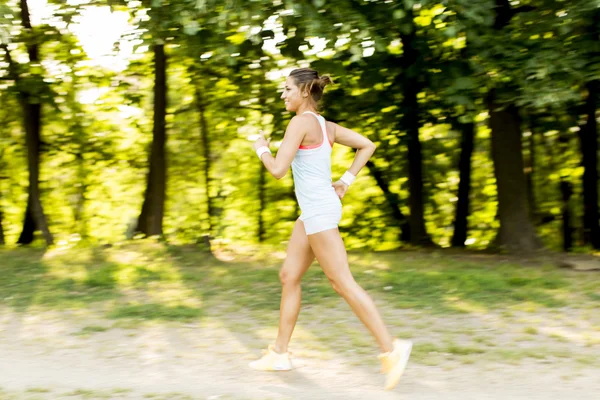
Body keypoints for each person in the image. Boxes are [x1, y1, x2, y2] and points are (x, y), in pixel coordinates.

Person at [249, 67, 412, 390]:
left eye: (287, 89)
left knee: (342, 283)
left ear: (305, 91)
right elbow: (367, 145)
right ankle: (280, 352)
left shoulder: (299, 123)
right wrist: (345, 181)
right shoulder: (326, 126)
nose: (282, 94)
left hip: (319, 212)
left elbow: (279, 170)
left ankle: (391, 349)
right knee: (289, 275)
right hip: (314, 211)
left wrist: (261, 148)